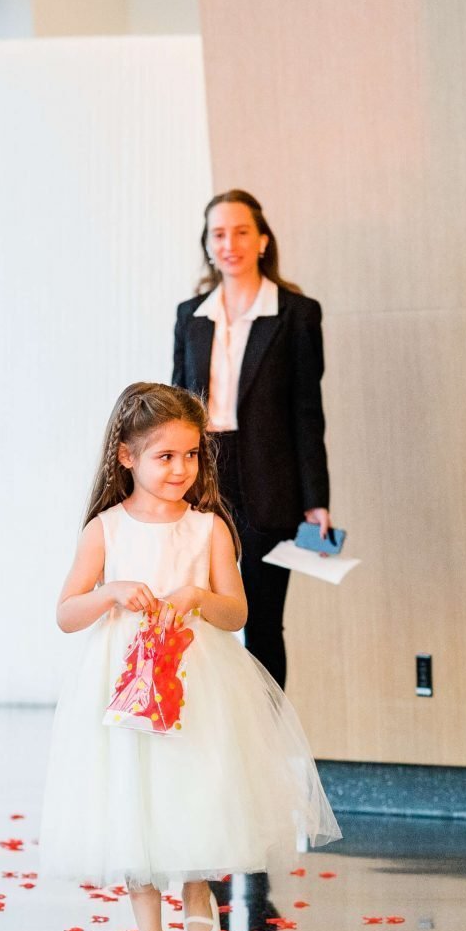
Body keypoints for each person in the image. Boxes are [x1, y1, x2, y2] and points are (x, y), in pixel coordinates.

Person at [42, 383, 338, 931]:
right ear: (126, 456)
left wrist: (200, 597)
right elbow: (66, 613)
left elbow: (238, 614)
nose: (182, 469)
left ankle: (198, 892)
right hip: (122, 686)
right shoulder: (106, 529)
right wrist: (109, 593)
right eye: (165, 456)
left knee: (190, 782)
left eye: (191, 455)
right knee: (132, 794)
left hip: (193, 679)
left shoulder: (208, 529)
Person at [170, 191, 329, 690]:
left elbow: (308, 414)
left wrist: (316, 502)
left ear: (262, 240)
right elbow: (175, 406)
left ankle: (269, 741)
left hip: (270, 478)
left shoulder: (296, 314)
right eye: (219, 234)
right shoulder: (190, 314)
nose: (230, 243)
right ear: (208, 244)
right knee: (195, 610)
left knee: (261, 621)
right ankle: (208, 733)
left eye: (241, 231)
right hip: (203, 475)